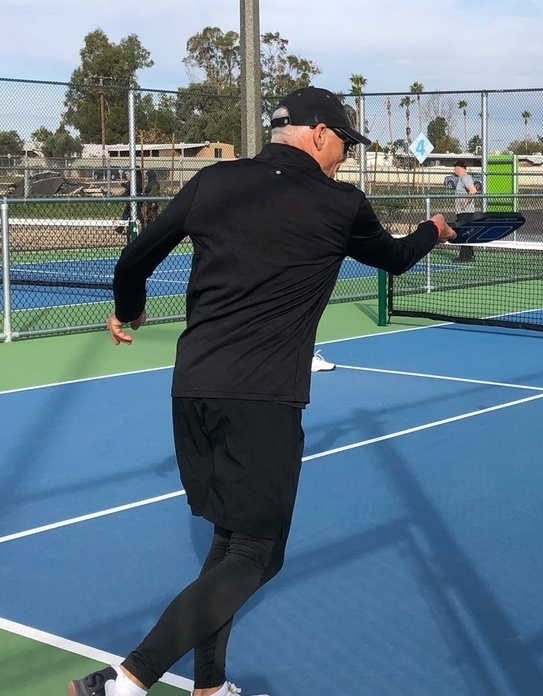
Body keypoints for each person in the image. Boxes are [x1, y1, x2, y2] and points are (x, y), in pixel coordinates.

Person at [69, 86, 455, 696]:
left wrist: (131, 309)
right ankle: (126, 680)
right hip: (263, 397)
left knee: (230, 540)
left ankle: (210, 687)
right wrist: (434, 229)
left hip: (192, 389)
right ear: (319, 133)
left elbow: (135, 257)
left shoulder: (214, 182)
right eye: (344, 146)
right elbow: (396, 259)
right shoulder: (340, 205)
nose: (345, 159)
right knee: (257, 553)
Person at [450, 161, 478, 262]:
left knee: (464, 232)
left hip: (465, 212)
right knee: (467, 233)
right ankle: (469, 255)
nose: (454, 170)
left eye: (455, 168)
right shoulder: (462, 178)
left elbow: (473, 191)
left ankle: (465, 256)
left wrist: (465, 203)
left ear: (459, 168)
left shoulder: (465, 177)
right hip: (463, 212)